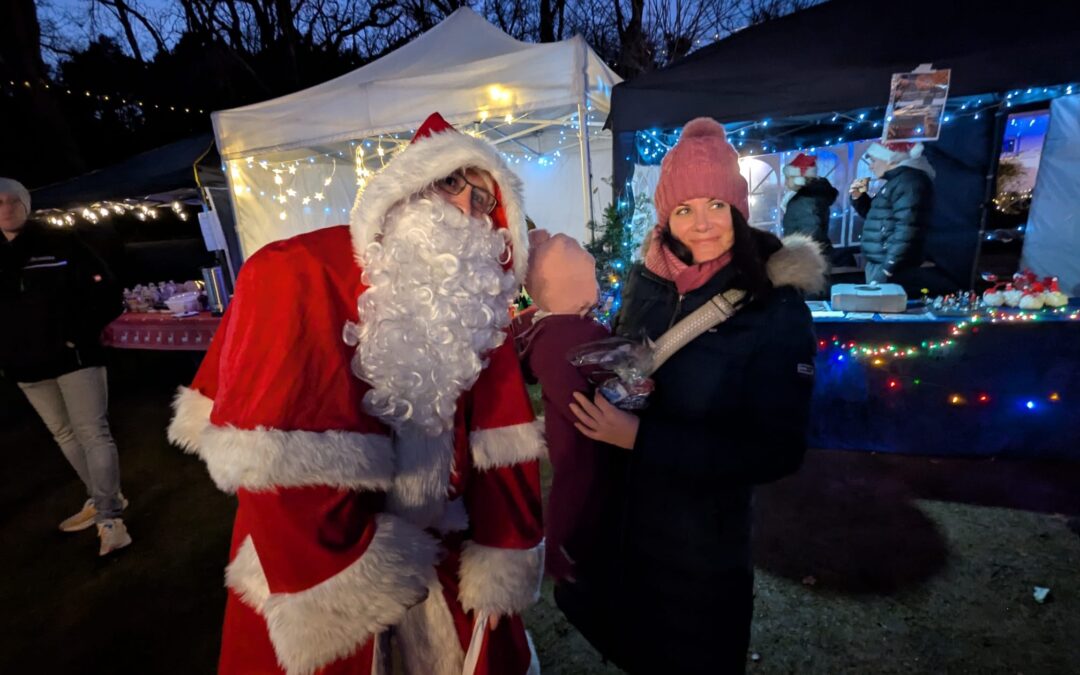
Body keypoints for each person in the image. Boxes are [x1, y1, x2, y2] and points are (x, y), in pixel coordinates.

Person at [167, 113, 545, 675]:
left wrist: (500, 563)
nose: (465, 207)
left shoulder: (477, 307)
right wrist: (354, 575)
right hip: (324, 559)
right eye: (450, 181)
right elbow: (276, 473)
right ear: (405, 189)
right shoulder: (300, 270)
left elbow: (501, 444)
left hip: (441, 553)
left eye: (484, 200)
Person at [569, 118, 825, 674]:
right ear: (666, 216)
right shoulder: (647, 281)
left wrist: (642, 438)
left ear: (738, 208)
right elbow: (631, 360)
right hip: (623, 527)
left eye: (715, 204)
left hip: (698, 550)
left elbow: (778, 451)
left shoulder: (774, 308)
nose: (701, 223)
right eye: (684, 209)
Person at [0, 177, 130, 557]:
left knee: (93, 433)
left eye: (12, 200)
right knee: (64, 434)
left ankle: (110, 519)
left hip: (75, 358)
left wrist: (77, 335)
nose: (6, 208)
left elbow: (106, 290)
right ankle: (103, 497)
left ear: (25, 204)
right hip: (25, 367)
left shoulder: (59, 242)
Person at [514, 231, 629, 657]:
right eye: (589, 278)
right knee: (580, 486)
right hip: (588, 435)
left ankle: (568, 552)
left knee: (576, 483)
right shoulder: (574, 336)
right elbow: (610, 381)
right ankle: (564, 552)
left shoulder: (547, 329)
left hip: (576, 434)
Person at [850, 141, 936, 288]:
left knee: (884, 301)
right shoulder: (897, 182)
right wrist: (858, 197)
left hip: (891, 267)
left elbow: (907, 229)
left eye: (874, 161)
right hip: (882, 263)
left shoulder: (909, 182)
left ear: (889, 159)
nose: (871, 166)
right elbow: (878, 218)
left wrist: (888, 267)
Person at [781, 152, 839, 263]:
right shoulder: (814, 198)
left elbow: (810, 235)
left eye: (788, 178)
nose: (785, 182)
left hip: (807, 261)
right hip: (814, 258)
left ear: (800, 179)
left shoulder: (804, 201)